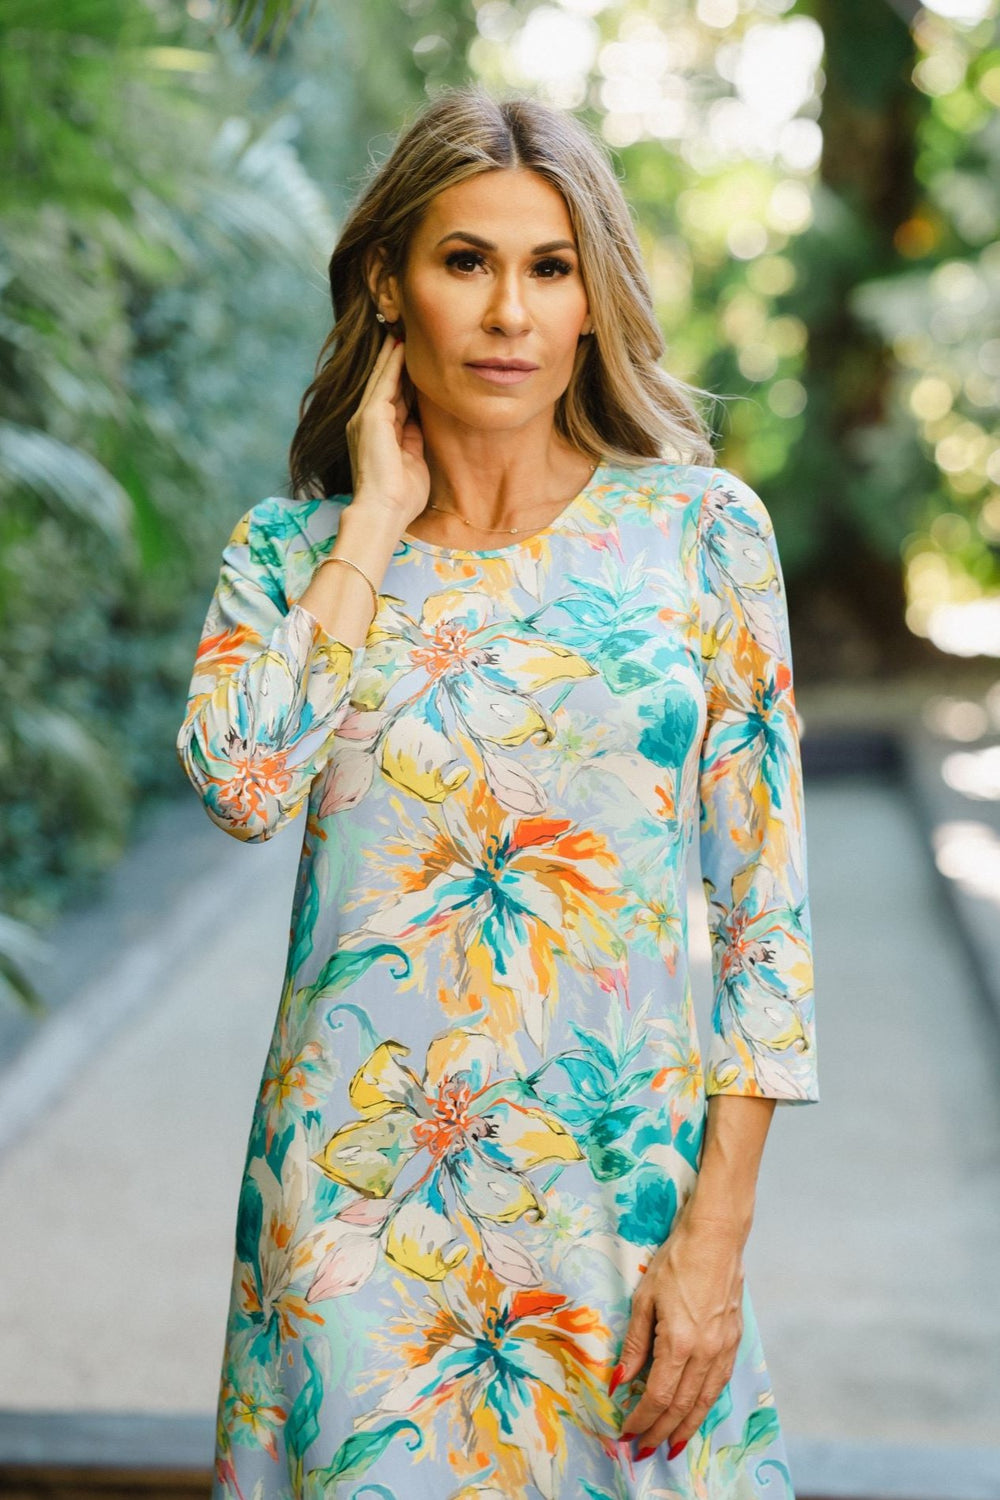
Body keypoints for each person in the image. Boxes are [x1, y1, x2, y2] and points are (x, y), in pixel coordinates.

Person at [176, 82, 819, 1500]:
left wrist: (715, 1241)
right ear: (388, 284)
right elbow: (242, 780)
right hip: (353, 1227)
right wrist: (374, 524)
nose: (510, 312)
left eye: (551, 268)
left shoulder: (701, 534)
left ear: (594, 299)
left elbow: (765, 928)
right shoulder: (291, 556)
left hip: (619, 1210)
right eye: (466, 261)